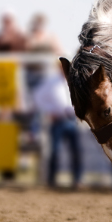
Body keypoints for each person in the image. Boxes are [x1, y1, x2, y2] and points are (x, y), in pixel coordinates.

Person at [33, 60, 82, 188]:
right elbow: (38, 97)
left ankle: (77, 180)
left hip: (73, 119)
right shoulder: (51, 82)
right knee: (55, 151)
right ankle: (52, 180)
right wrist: (50, 111)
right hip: (58, 120)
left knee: (75, 151)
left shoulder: (76, 81)